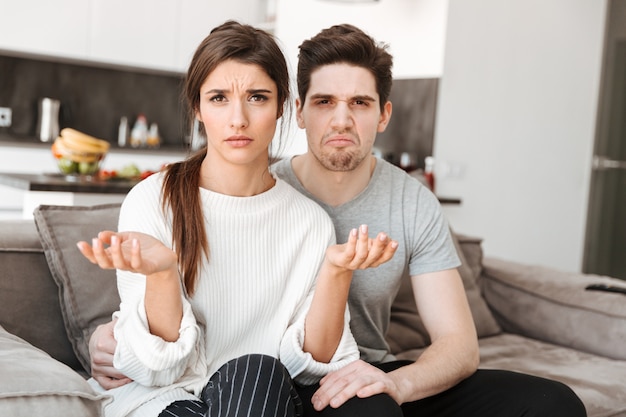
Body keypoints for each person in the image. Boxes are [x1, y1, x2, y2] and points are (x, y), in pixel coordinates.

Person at [88, 23, 587, 417]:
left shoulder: (389, 206)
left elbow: (457, 344)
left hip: (352, 374)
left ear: (384, 114)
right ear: (300, 112)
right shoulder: (196, 188)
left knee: (554, 403)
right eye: (325, 102)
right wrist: (115, 326)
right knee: (262, 376)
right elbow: (145, 331)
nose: (342, 121)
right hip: (270, 387)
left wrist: (396, 381)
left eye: (360, 104)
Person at [77, 21, 398, 417]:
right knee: (256, 373)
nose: (238, 118)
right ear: (197, 107)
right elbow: (155, 367)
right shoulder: (152, 200)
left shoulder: (309, 223)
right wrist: (162, 274)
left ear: (282, 107)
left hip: (262, 400)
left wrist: (336, 272)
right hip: (167, 402)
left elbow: (312, 368)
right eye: (218, 98)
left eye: (257, 97)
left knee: (259, 374)